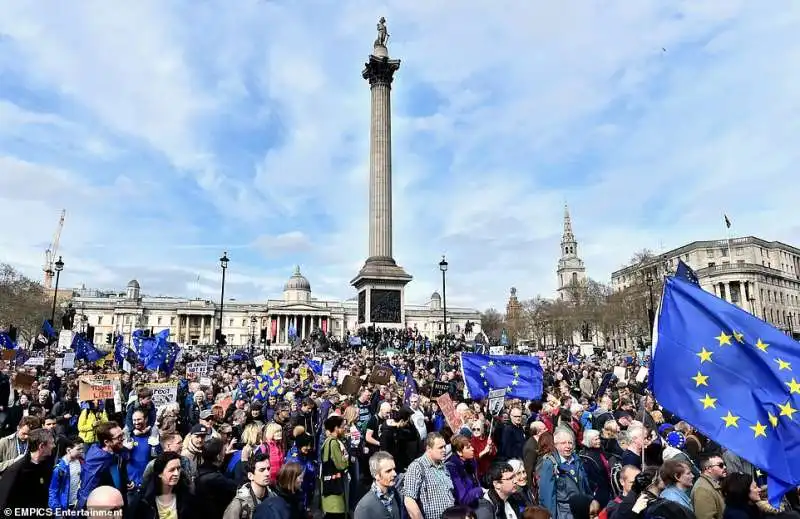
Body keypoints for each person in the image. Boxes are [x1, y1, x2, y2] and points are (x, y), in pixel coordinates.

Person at [77, 421, 130, 509]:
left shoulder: (117, 451)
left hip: (119, 502)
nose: (123, 438)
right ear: (106, 442)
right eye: (119, 437)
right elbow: (86, 491)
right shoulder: (96, 463)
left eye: (122, 434)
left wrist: (126, 482)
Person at [403, 432, 455, 519]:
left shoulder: (443, 466)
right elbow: (409, 500)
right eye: (440, 448)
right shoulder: (417, 467)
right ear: (428, 449)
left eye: (444, 447)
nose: (444, 450)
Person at [0, 427, 55, 510]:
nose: (54, 446)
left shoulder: (47, 465)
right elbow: (5, 505)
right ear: (41, 446)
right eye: (52, 443)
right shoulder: (16, 471)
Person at [135, 451, 194, 518]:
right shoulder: (146, 501)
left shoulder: (186, 496)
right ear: (160, 473)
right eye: (172, 470)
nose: (176, 473)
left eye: (178, 469)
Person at [195, 437, 238, 519]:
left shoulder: (200, 470)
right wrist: (244, 461)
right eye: (224, 451)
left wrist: (225, 459)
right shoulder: (215, 479)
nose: (225, 452)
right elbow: (237, 487)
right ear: (218, 456)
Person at [224, 450, 273, 519]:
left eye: (268, 469)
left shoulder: (273, 497)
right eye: (262, 470)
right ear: (250, 476)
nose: (267, 473)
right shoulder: (238, 504)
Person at [354, 451, 402, 519]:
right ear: (376, 475)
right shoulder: (364, 506)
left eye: (394, 469)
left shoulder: (397, 496)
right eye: (388, 471)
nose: (394, 474)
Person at [320, 415, 350, 519]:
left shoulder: (329, 441)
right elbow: (341, 465)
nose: (345, 428)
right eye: (342, 426)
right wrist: (347, 459)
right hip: (334, 487)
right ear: (336, 428)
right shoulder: (333, 443)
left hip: (331, 485)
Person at [48, 436, 85, 510]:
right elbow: (53, 491)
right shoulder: (59, 469)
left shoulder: (82, 462)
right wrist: (57, 510)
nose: (82, 451)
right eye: (78, 449)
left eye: (82, 448)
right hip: (64, 508)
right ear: (68, 450)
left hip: (77, 506)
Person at [692, 455, 727, 519]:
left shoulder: (711, 484)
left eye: (724, 464)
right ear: (709, 469)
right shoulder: (702, 489)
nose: (724, 467)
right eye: (721, 465)